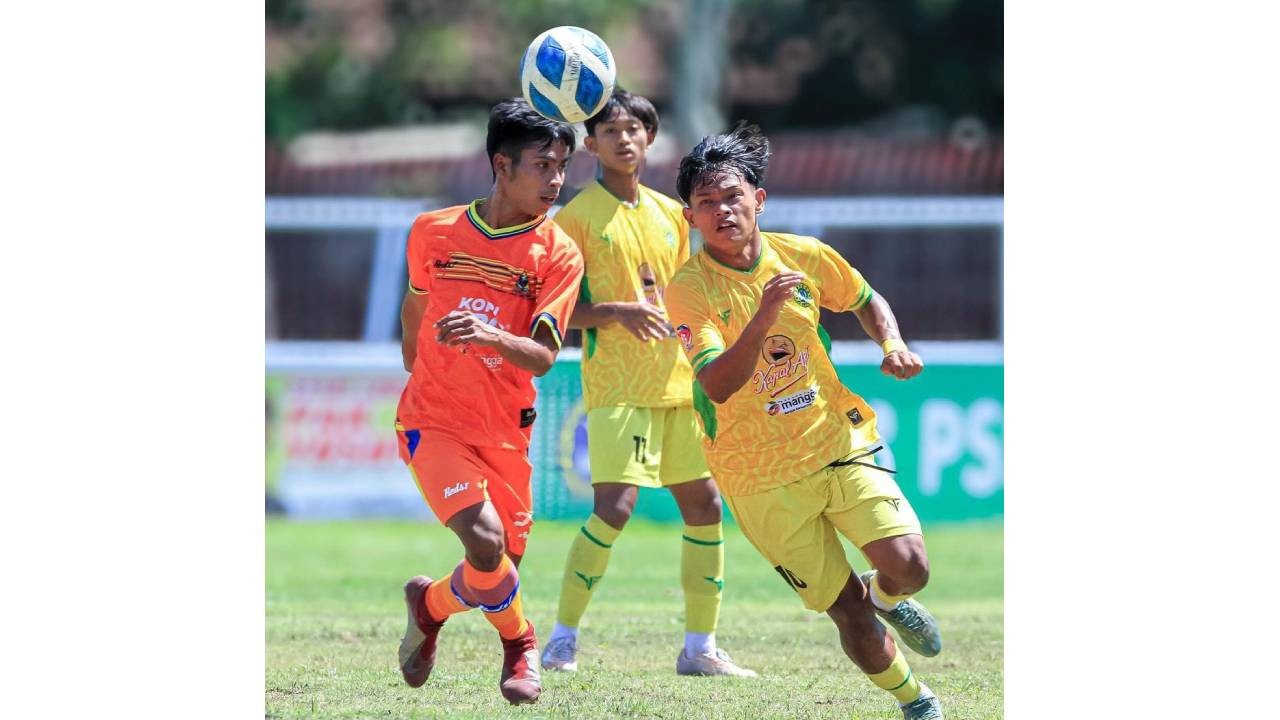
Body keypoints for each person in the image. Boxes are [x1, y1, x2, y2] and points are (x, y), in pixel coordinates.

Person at [664, 122, 946, 720]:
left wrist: (891, 343)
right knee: (847, 612)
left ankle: (887, 594)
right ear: (690, 218)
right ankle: (915, 700)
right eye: (706, 204)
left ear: (758, 200)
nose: (722, 211)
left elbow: (867, 298)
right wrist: (764, 314)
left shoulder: (806, 255)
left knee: (911, 566)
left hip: (834, 442)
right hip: (757, 476)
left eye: (732, 197)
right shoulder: (687, 290)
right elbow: (716, 384)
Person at [537, 89, 755, 679]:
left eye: (635, 128)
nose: (624, 138)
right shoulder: (575, 219)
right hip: (616, 387)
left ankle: (700, 647)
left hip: (680, 385)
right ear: (591, 144)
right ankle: (560, 639)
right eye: (611, 131)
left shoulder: (671, 214)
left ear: (651, 138)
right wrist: (613, 312)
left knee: (706, 506)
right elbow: (552, 312)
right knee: (615, 506)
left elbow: (685, 295)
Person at [393, 98, 584, 706]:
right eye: (543, 165)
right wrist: (419, 366)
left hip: (505, 428)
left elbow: (543, 356)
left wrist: (491, 337)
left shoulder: (559, 254)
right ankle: (521, 645)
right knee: (485, 544)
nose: (556, 180)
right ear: (502, 165)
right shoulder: (432, 231)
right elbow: (416, 306)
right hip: (432, 421)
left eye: (562, 167)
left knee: (495, 574)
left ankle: (428, 605)